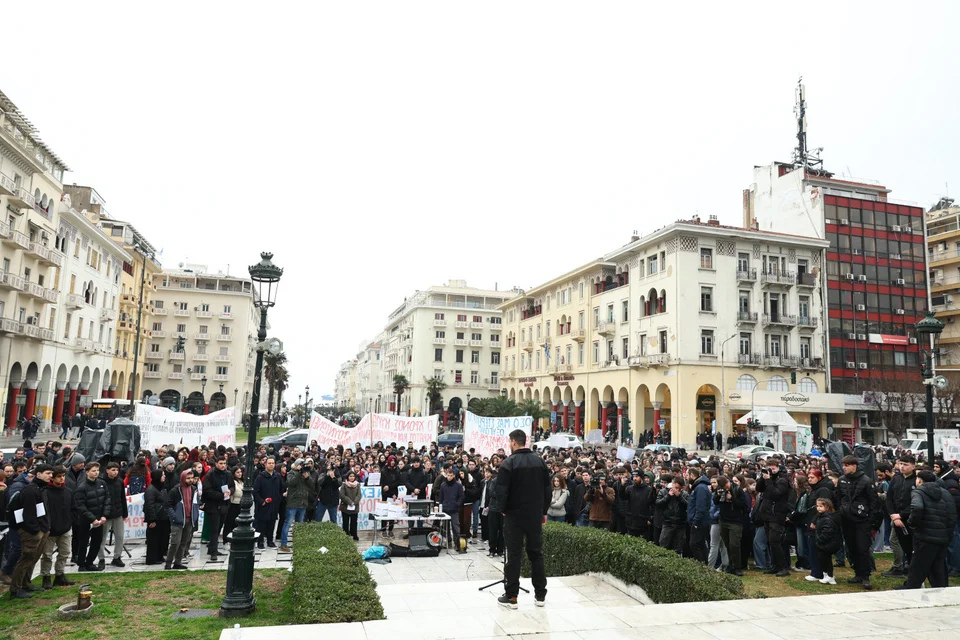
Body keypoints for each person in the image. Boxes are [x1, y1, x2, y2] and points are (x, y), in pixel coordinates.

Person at [495, 429, 551, 610]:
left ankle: (512, 596)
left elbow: (501, 491)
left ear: (513, 442)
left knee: (514, 555)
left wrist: (503, 510)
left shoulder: (508, 463)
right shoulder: (539, 462)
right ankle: (540, 595)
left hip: (513, 516)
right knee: (536, 553)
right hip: (534, 515)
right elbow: (547, 490)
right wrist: (543, 511)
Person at [897, 469, 958, 589]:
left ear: (919, 480)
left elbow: (917, 508)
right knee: (939, 565)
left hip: (924, 535)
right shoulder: (945, 492)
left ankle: (912, 587)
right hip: (942, 536)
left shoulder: (918, 492)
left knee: (918, 564)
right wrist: (948, 533)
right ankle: (941, 589)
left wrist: (912, 523)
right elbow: (952, 515)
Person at [837, 454, 881, 590]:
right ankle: (858, 573)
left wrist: (870, 521)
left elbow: (874, 503)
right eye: (843, 465)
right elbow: (838, 497)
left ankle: (866, 576)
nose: (844, 468)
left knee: (863, 548)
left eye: (846, 465)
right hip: (847, 519)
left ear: (854, 466)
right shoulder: (842, 480)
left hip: (862, 520)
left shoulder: (866, 481)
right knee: (851, 548)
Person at [9, 464, 52, 599]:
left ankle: (26, 583)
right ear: (38, 474)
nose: (50, 476)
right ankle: (16, 589)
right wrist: (36, 530)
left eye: (51, 473)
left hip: (41, 529)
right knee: (26, 558)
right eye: (48, 473)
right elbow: (29, 514)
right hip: (32, 532)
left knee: (33, 558)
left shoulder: (41, 488)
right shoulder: (30, 490)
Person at [39, 466, 75, 589]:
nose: (61, 478)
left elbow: (73, 508)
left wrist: (70, 521)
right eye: (59, 476)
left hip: (65, 527)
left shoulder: (68, 491)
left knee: (65, 552)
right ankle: (46, 576)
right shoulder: (45, 492)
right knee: (47, 555)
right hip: (50, 529)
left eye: (63, 476)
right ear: (52, 478)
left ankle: (60, 575)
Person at [756, 458, 791, 577]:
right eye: (769, 467)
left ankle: (783, 567)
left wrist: (769, 480)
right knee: (770, 542)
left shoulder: (783, 479)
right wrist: (763, 478)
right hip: (767, 513)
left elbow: (775, 494)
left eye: (773, 468)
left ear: (777, 467)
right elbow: (759, 489)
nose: (771, 470)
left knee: (775, 541)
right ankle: (775, 566)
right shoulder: (768, 478)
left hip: (777, 514)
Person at [73, 462, 108, 572]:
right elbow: (80, 505)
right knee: (83, 542)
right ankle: (81, 564)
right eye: (93, 471)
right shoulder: (82, 487)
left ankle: (90, 562)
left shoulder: (102, 483)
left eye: (97, 470)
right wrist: (92, 519)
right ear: (87, 472)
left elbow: (107, 500)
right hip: (86, 520)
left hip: (99, 518)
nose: (96, 472)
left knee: (97, 541)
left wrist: (104, 515)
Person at [886, 454, 917, 577]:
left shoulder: (916, 480)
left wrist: (901, 515)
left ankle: (912, 572)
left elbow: (915, 502)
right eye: (901, 464)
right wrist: (893, 515)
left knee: (911, 548)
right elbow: (889, 499)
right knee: (901, 544)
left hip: (910, 519)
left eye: (906, 464)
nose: (902, 467)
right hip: (896, 518)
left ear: (913, 466)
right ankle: (903, 568)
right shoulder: (896, 478)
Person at [165, 469, 199, 570]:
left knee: (184, 542)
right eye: (188, 478)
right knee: (175, 543)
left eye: (192, 478)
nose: (190, 480)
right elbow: (168, 505)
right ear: (183, 478)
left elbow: (196, 503)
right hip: (178, 521)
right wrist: (174, 516)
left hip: (189, 519)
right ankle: (168, 563)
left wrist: (195, 514)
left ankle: (178, 562)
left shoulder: (193, 489)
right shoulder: (176, 490)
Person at [715, 475, 747, 576]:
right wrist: (718, 495)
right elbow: (715, 502)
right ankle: (731, 565)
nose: (725, 488)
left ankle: (738, 567)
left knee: (734, 545)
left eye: (725, 485)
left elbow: (744, 505)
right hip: (723, 520)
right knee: (727, 544)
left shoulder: (738, 490)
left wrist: (732, 498)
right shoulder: (720, 489)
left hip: (735, 521)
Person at [99, 462, 128, 569]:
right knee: (102, 538)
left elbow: (122, 498)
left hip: (118, 513)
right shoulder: (101, 482)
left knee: (120, 537)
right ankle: (101, 558)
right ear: (107, 470)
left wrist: (125, 512)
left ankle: (117, 557)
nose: (115, 472)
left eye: (117, 470)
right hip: (105, 515)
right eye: (113, 470)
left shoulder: (120, 482)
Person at [253, 457, 284, 549]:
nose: (271, 465)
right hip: (263, 505)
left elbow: (281, 489)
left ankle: (270, 541)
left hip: (274, 505)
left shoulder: (277, 476)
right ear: (265, 464)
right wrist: (261, 501)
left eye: (273, 463)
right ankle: (260, 542)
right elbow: (255, 491)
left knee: (271, 523)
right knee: (261, 524)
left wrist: (279, 499)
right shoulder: (260, 477)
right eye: (269, 463)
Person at [281, 459, 310, 552]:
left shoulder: (305, 474)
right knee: (288, 523)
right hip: (293, 503)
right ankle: (284, 544)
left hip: (303, 503)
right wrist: (298, 473)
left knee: (299, 524)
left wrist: (307, 478)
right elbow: (291, 483)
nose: (302, 467)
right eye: (301, 465)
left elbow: (311, 486)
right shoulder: (291, 473)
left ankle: (298, 543)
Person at [812, 498, 842, 585]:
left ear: (827, 507)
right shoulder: (821, 517)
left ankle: (830, 575)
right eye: (817, 506)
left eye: (821, 506)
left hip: (828, 544)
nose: (818, 508)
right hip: (823, 543)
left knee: (826, 559)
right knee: (823, 559)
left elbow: (827, 532)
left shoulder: (828, 518)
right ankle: (826, 575)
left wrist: (820, 539)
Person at [144, 469, 171, 565]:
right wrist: (152, 519)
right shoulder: (150, 489)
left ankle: (159, 556)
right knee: (153, 539)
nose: (164, 476)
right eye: (162, 475)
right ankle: (152, 558)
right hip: (156, 518)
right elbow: (149, 505)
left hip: (163, 517)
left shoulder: (162, 488)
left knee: (162, 538)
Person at [686, 467, 712, 564]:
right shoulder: (698, 487)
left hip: (700, 522)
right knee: (700, 544)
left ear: (692, 475)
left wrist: (696, 521)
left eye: (688, 475)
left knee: (695, 544)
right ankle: (704, 564)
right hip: (700, 520)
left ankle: (701, 564)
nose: (686, 477)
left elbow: (700, 507)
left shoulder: (700, 488)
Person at [657, 477, 688, 554]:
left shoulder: (684, 494)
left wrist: (679, 496)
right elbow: (658, 504)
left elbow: (687, 506)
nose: (676, 489)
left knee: (678, 548)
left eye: (678, 488)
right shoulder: (663, 492)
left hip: (680, 524)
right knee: (663, 545)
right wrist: (668, 496)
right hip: (667, 523)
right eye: (675, 487)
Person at [438, 467, 464, 546]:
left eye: (451, 475)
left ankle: (457, 542)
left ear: (454, 476)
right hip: (445, 508)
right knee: (445, 527)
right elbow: (441, 497)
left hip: (454, 509)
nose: (449, 477)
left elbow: (461, 496)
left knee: (455, 526)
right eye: (448, 475)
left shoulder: (458, 485)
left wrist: (457, 504)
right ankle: (448, 540)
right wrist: (440, 507)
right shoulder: (443, 485)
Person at [222, 466, 244, 545]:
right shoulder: (233, 482)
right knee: (229, 522)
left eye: (240, 472)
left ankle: (234, 538)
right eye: (237, 472)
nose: (240, 474)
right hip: (232, 504)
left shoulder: (241, 482)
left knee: (236, 523)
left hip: (239, 504)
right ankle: (226, 539)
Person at [339, 470, 361, 541]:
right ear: (348, 477)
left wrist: (354, 502)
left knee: (354, 522)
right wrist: (349, 502)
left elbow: (359, 495)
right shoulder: (344, 485)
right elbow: (342, 495)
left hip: (355, 507)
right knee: (345, 522)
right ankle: (346, 535)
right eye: (350, 476)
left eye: (353, 476)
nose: (352, 478)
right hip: (345, 507)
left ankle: (354, 534)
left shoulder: (357, 484)